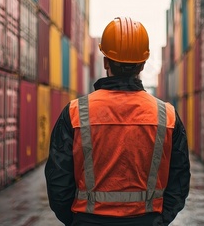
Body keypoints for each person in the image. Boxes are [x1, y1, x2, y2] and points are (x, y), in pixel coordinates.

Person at [45, 16, 191, 226]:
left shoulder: (76, 112)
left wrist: (77, 220)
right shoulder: (166, 115)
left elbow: (58, 181)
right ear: (142, 64)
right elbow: (180, 181)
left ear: (105, 61)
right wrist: (159, 219)